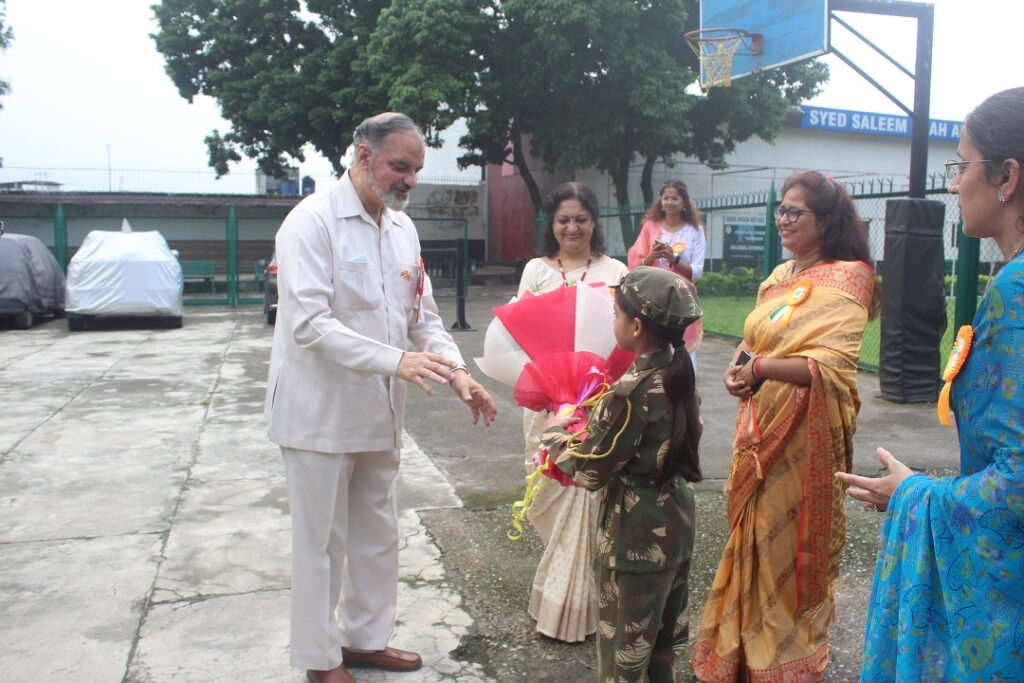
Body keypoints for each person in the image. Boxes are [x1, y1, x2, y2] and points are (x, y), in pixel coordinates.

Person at [264, 112, 497, 683]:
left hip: (380, 411)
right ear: (363, 157)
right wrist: (398, 362)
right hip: (317, 413)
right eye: (400, 165)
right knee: (321, 543)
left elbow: (424, 318)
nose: (410, 179)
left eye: (416, 168)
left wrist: (457, 372)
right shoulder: (311, 223)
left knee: (376, 532)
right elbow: (310, 325)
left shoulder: (401, 230)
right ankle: (320, 659)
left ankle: (366, 639)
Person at [835, 87, 1024, 681]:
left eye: (961, 164)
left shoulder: (1017, 296)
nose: (952, 184)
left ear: (1006, 177)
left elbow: (1018, 480)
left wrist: (917, 494)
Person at [692, 171, 879, 682]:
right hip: (757, 426)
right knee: (750, 535)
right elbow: (754, 340)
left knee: (786, 545)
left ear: (825, 221)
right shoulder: (777, 276)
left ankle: (784, 658)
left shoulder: (849, 278)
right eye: (781, 209)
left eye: (795, 212)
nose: (783, 219)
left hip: (803, 437)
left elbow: (833, 366)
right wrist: (739, 369)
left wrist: (761, 369)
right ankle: (739, 650)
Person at [540, 266, 703, 682]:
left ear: (634, 326)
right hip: (675, 523)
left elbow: (592, 468)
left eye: (615, 314)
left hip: (635, 535)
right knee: (663, 646)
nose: (613, 322)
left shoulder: (632, 392)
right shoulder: (679, 373)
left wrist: (556, 435)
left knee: (623, 655)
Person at [516, 181, 629, 642]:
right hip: (547, 407)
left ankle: (573, 605)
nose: (572, 227)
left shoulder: (615, 268)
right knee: (549, 496)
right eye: (563, 219)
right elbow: (518, 333)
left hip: (598, 402)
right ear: (552, 223)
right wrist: (551, 392)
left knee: (589, 498)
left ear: (593, 222)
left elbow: (627, 334)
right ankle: (563, 591)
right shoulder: (535, 270)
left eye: (580, 218)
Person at [626, 180, 706, 365]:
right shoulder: (650, 227)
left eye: (675, 198)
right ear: (660, 201)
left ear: (684, 202)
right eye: (665, 198)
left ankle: (683, 387)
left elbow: (697, 272)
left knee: (681, 350)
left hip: (681, 298)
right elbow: (635, 266)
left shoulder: (695, 231)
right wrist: (651, 256)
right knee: (652, 346)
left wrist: (674, 260)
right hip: (652, 298)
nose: (669, 202)